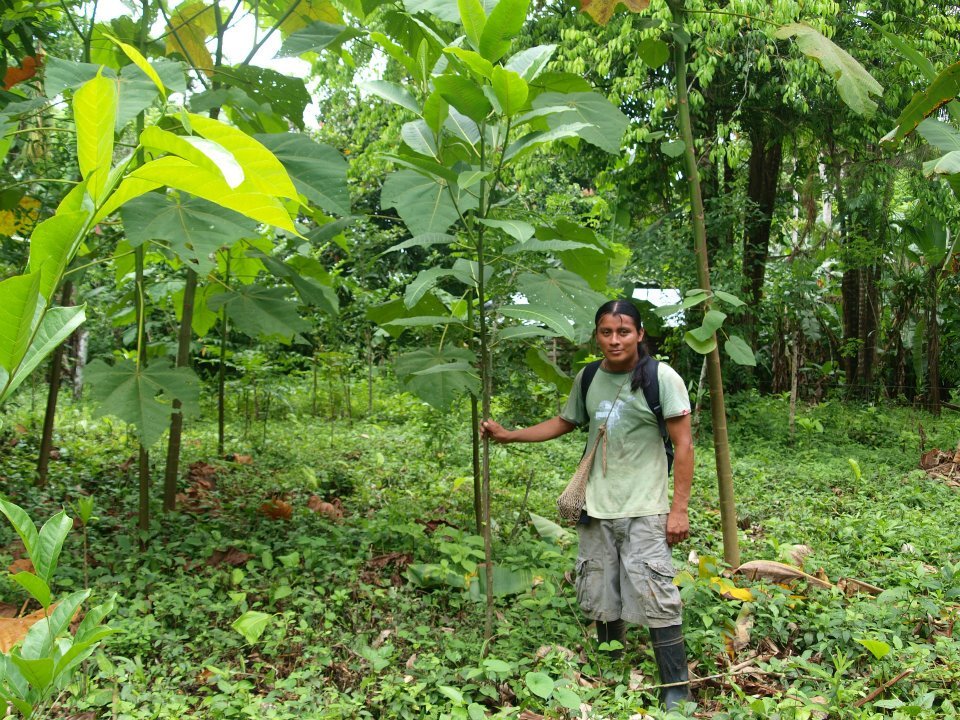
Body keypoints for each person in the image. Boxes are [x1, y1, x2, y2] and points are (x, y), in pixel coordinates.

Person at [481, 299, 694, 710]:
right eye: (606, 332)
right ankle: (612, 676)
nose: (614, 340)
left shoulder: (661, 378)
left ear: (640, 334)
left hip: (645, 508)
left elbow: (684, 445)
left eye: (623, 332)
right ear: (596, 335)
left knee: (657, 596)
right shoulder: (589, 376)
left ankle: (676, 692)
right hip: (594, 508)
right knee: (600, 593)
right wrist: (510, 435)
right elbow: (565, 421)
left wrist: (678, 509)